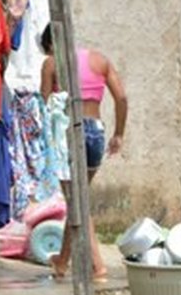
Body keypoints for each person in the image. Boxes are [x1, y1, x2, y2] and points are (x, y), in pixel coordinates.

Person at [40, 25, 128, 280]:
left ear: (49, 45)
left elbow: (44, 106)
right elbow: (121, 98)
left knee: (77, 201)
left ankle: (97, 266)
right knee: (77, 199)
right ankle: (62, 261)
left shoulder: (51, 63)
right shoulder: (99, 60)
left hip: (69, 132)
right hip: (96, 132)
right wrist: (119, 134)